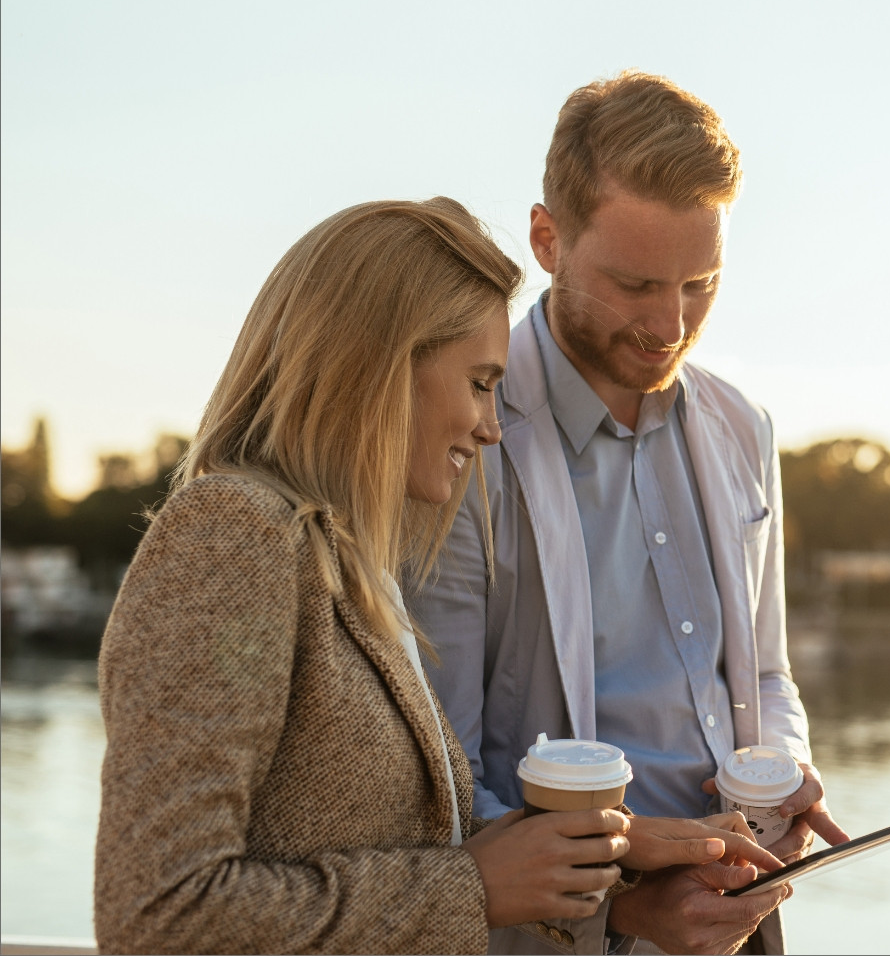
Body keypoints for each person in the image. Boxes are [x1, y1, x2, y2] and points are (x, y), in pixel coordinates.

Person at [93, 198, 779, 955]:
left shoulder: (348, 563)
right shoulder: (232, 534)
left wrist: (628, 872)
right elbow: (157, 913)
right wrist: (471, 888)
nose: (492, 425)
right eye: (481, 382)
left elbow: (413, 837)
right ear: (380, 368)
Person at [408, 72, 848, 956]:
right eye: (635, 283)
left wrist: (782, 775)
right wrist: (621, 902)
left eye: (700, 284)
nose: (668, 325)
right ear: (548, 238)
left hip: (740, 920)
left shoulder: (743, 428)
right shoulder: (464, 433)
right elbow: (437, 768)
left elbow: (764, 675)